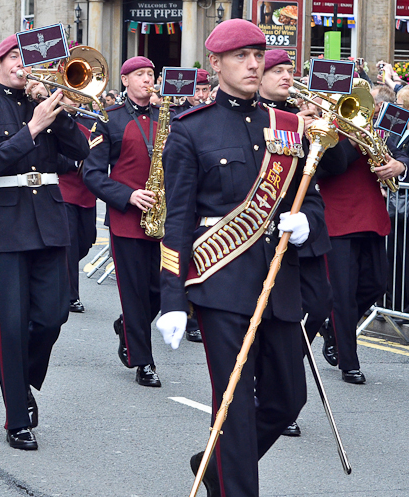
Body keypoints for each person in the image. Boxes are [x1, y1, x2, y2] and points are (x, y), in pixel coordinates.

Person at [157, 20, 330, 496]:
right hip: (221, 282)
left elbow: (308, 195)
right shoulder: (192, 131)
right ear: (215, 64)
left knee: (288, 398)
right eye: (241, 56)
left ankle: (213, 466)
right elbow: (178, 222)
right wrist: (172, 298)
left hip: (279, 284)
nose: (254, 64)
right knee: (233, 406)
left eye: (258, 54)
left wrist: (306, 222)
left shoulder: (288, 125)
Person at [0, 34, 89, 450]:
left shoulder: (49, 101)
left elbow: (81, 149)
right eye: (14, 57)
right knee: (10, 326)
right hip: (7, 220)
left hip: (50, 217)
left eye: (27, 58)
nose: (21, 65)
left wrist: (58, 111)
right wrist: (33, 128)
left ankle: (25, 382)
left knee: (53, 314)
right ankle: (17, 416)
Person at [257, 49, 343, 437]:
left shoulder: (299, 113)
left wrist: (325, 129)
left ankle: (282, 371)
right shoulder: (258, 115)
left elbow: (333, 169)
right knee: (273, 318)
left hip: (303, 231)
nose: (286, 76)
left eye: (289, 69)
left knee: (320, 305)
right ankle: (274, 387)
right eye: (277, 70)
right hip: (264, 236)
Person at [82, 56, 164, 388]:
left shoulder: (170, 116)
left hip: (166, 217)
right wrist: (128, 196)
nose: (148, 79)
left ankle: (128, 326)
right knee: (133, 292)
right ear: (125, 80)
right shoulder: (108, 119)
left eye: (151, 74)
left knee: (161, 290)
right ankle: (143, 362)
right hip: (127, 218)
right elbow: (92, 173)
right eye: (140, 75)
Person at [318, 85, 408, 384]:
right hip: (338, 218)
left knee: (376, 284)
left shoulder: (375, 129)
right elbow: (334, 166)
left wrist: (398, 165)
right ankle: (349, 361)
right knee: (342, 295)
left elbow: (400, 154)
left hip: (370, 216)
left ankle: (332, 328)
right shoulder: (325, 133)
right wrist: (347, 134)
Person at [59, 95, 97, 313]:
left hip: (86, 192)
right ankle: (71, 295)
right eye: (68, 97)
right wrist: (75, 161)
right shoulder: (54, 121)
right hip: (63, 190)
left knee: (86, 242)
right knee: (71, 246)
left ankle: (61, 271)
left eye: (76, 98)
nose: (73, 101)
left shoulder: (89, 121)